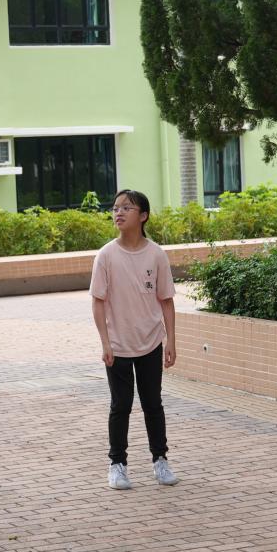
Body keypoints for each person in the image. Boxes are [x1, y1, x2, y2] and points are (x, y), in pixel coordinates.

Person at [91, 189, 179, 490]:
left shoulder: (156, 254)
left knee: (153, 403)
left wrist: (171, 341)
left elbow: (166, 300)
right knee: (121, 406)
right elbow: (98, 301)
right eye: (115, 208)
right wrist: (105, 342)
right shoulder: (106, 255)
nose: (118, 213)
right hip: (118, 344)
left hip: (151, 341)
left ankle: (160, 460)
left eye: (126, 208)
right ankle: (117, 465)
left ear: (143, 216)